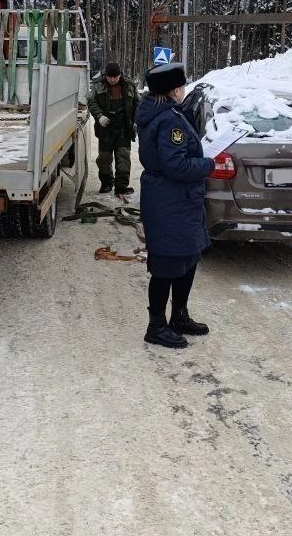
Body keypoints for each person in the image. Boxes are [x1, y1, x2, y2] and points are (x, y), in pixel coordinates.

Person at [135, 63, 216, 349]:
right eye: (182, 85)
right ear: (174, 89)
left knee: (186, 258)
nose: (184, 90)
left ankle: (179, 316)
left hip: (177, 201)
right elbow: (176, 165)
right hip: (170, 200)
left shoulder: (165, 114)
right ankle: (156, 326)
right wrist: (208, 164)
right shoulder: (169, 120)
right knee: (167, 264)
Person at [88, 62, 138, 195]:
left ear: (120, 75)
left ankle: (121, 186)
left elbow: (137, 104)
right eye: (110, 77)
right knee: (104, 159)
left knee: (123, 158)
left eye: (115, 77)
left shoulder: (129, 85)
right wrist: (99, 116)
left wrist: (136, 122)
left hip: (123, 128)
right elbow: (91, 102)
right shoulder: (98, 84)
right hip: (106, 128)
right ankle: (106, 183)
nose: (112, 79)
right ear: (106, 76)